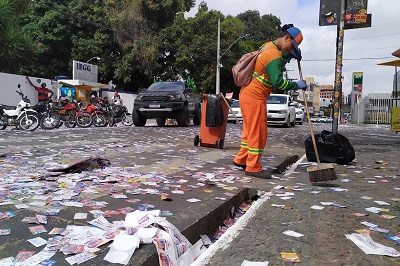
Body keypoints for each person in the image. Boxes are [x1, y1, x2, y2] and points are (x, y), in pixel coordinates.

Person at [232, 24, 307, 179]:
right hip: (255, 97)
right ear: (287, 38)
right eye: (291, 46)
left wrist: (291, 55)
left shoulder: (267, 47)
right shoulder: (274, 55)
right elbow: (279, 83)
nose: (289, 50)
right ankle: (252, 167)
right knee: (258, 133)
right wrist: (296, 85)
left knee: (249, 131)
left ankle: (241, 159)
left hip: (246, 94)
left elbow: (273, 61)